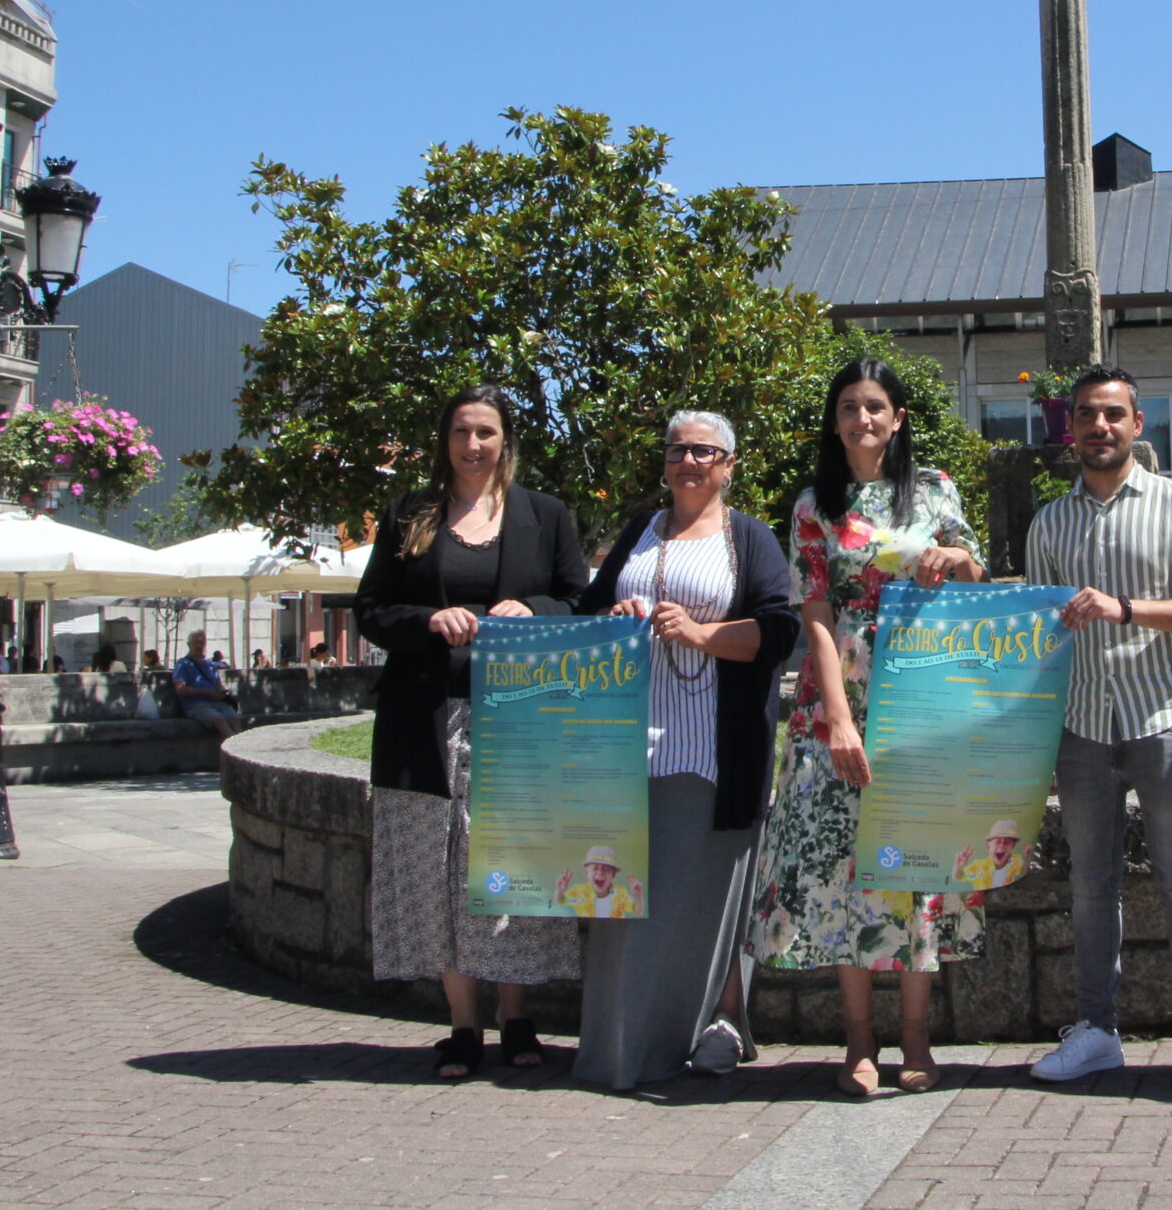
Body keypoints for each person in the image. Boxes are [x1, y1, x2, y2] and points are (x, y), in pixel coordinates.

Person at [751, 358, 988, 1098]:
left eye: (876, 406)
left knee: (914, 862)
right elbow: (814, 614)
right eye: (850, 407)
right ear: (836, 419)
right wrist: (839, 719)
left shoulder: (937, 489)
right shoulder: (813, 506)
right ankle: (859, 1039)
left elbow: (977, 570)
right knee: (848, 871)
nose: (863, 419)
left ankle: (916, 1037)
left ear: (899, 417)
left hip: (924, 691)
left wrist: (958, 556)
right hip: (839, 692)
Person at [355, 383, 587, 1079]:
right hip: (424, 719)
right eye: (462, 431)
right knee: (438, 873)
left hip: (518, 718)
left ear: (505, 440)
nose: (473, 445)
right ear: (445, 440)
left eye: (486, 431)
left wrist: (534, 607)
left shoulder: (546, 516)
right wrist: (426, 620)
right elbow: (369, 608)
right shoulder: (409, 514)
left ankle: (518, 1020)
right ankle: (463, 1026)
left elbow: (581, 600)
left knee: (512, 863)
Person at [1024, 365, 1172, 1092]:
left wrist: (1125, 606)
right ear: (1070, 428)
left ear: (1137, 423)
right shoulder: (1049, 523)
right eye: (1086, 414)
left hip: (1163, 717)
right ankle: (1097, 1031)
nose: (1099, 426)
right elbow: (1040, 633)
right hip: (1081, 725)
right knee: (1090, 885)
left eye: (1113, 413)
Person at [573, 409, 799, 1089]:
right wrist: (612, 618)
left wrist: (702, 635)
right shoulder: (640, 532)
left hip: (712, 748)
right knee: (627, 909)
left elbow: (779, 630)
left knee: (710, 899)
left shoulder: (749, 537)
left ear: (729, 465)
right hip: (629, 749)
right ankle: (622, 1044)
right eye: (678, 450)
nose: (690, 462)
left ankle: (716, 1027)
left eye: (705, 451)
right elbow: (586, 613)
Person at [171, 633, 241, 739]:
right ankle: (234, 750)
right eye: (196, 642)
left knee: (234, 719)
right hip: (195, 705)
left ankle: (240, 747)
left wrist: (222, 692)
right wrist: (206, 693)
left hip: (216, 703)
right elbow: (180, 689)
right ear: (189, 644)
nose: (199, 645)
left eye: (201, 642)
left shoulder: (210, 664)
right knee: (219, 720)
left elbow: (218, 684)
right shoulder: (182, 664)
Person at [951, 820, 1026, 888]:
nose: (1002, 845)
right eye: (997, 842)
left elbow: (1024, 872)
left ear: (1012, 846)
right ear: (988, 847)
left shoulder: (1016, 861)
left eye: (1007, 842)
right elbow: (957, 877)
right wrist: (958, 867)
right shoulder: (978, 866)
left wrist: (1028, 856)